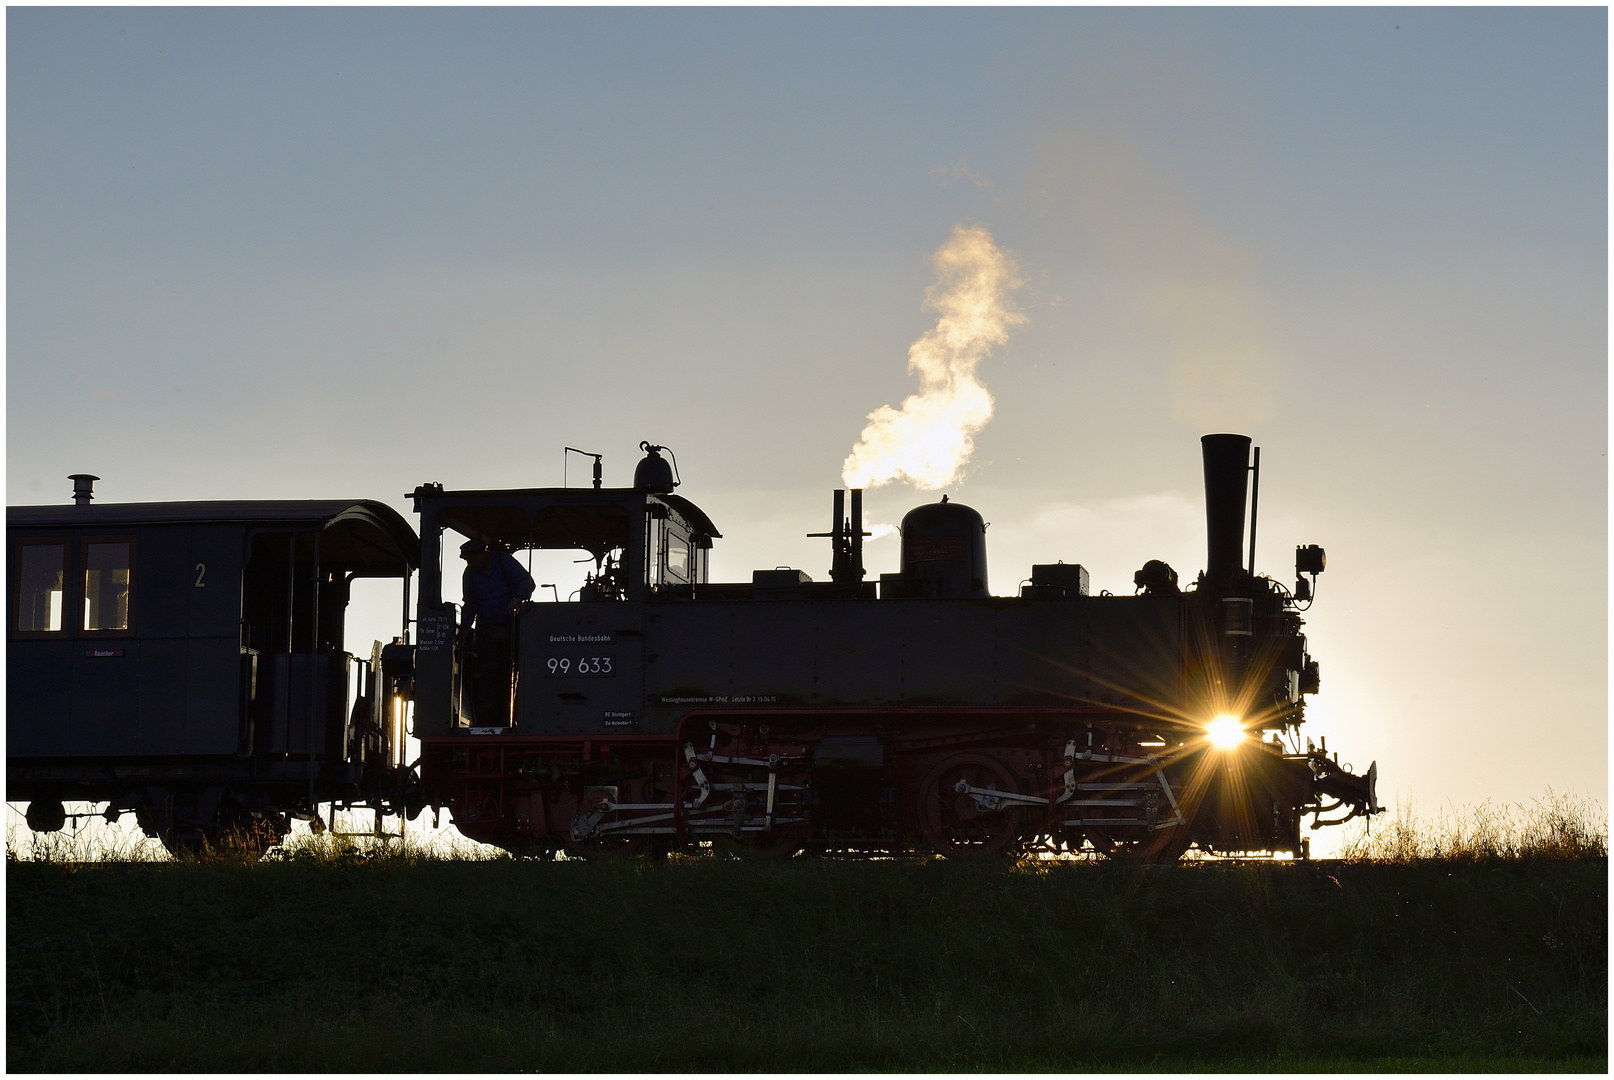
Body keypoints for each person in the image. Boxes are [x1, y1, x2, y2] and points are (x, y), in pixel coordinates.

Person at [458, 539, 536, 727]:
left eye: (471, 559)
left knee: (522, 670)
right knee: (488, 675)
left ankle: (520, 718)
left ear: (483, 554)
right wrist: (463, 633)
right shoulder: (469, 574)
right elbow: (470, 604)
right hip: (488, 630)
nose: (470, 564)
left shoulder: (505, 562)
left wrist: (518, 599)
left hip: (514, 627)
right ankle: (490, 720)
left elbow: (527, 582)